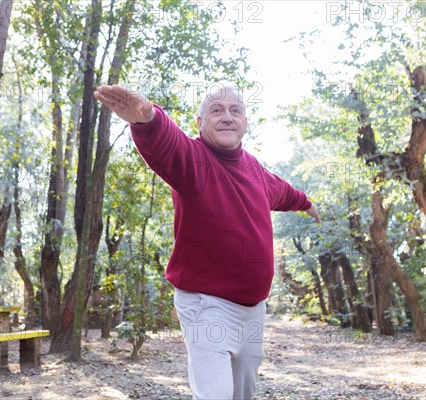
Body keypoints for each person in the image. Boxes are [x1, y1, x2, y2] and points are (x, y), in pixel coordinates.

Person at [94, 83, 320, 400]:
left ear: (245, 122)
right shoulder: (194, 159)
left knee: (244, 393)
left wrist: (305, 203)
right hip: (206, 304)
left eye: (235, 111)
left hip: (253, 309)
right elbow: (168, 143)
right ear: (200, 124)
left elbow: (281, 191)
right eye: (216, 110)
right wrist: (148, 119)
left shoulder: (254, 168)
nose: (227, 117)